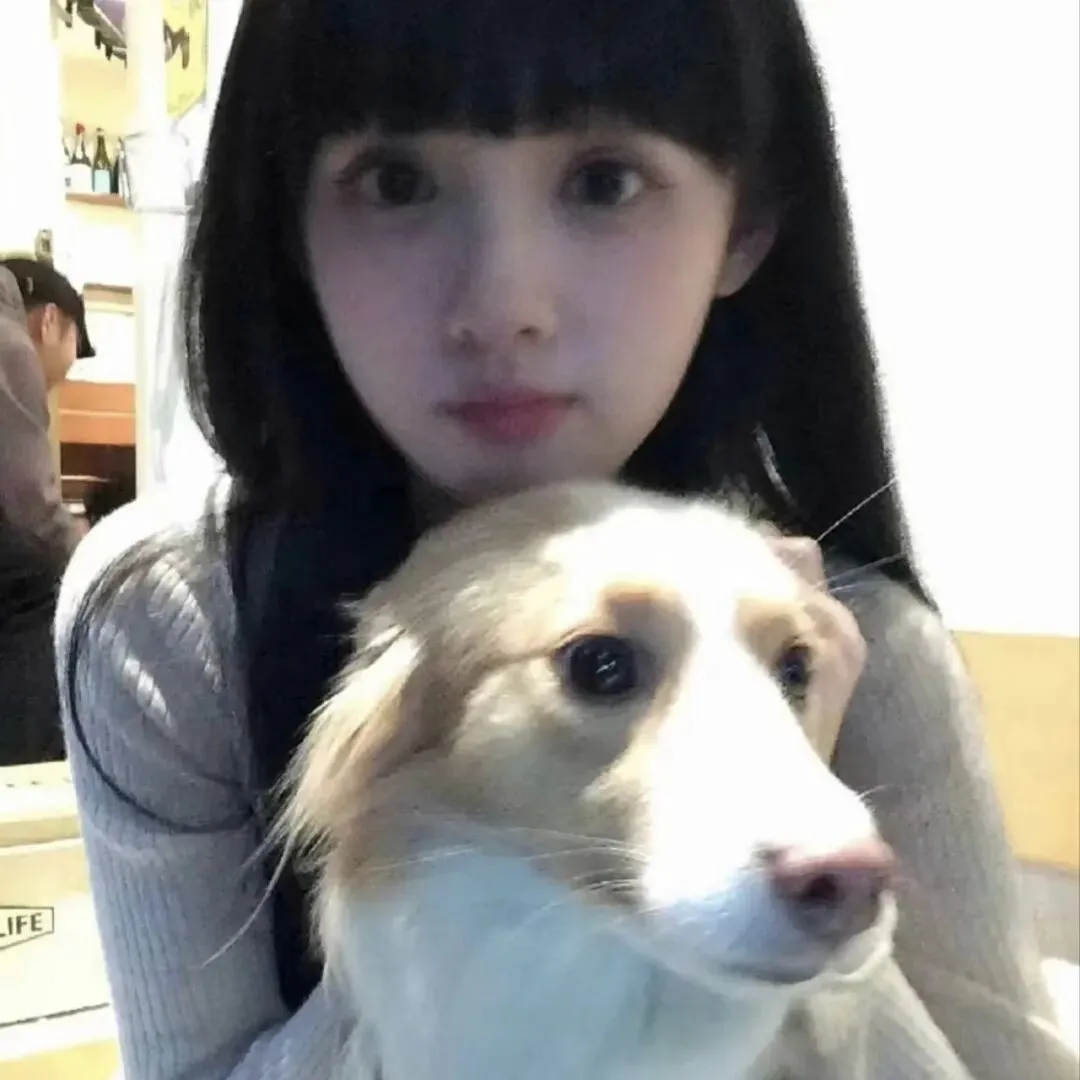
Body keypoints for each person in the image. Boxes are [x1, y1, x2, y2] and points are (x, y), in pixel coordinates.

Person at [55, 1, 1075, 1077]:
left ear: (746, 223)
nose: (506, 306)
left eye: (604, 181)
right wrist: (408, 873)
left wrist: (796, 838)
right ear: (289, 224)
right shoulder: (173, 618)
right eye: (396, 182)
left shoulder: (865, 643)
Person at [0, 256, 93, 765]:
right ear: (51, 321)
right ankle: (25, 777)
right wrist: (89, 557)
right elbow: (29, 506)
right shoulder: (10, 342)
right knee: (47, 590)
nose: (55, 384)